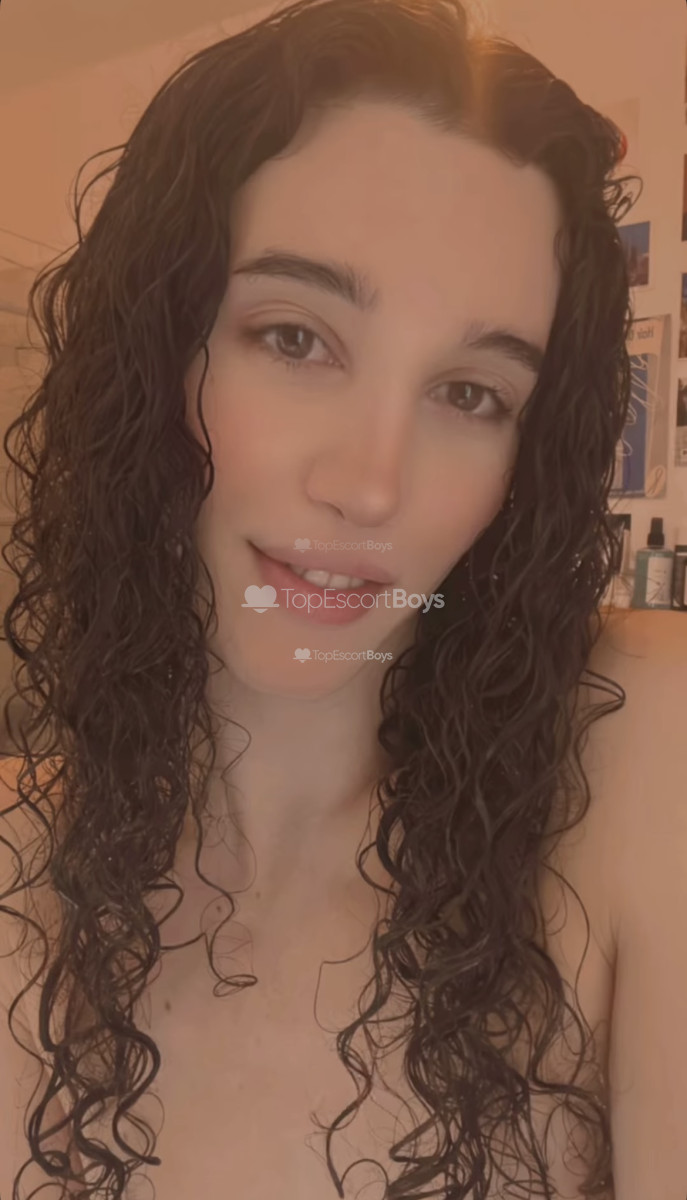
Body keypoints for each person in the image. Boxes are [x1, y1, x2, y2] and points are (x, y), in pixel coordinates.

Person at [2, 0, 682, 1197]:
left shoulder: (641, 755)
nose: (371, 486)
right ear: (156, 347)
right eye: (296, 338)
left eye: (470, 394)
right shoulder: (20, 864)